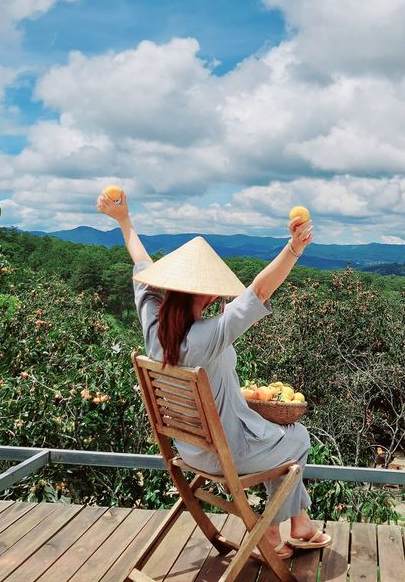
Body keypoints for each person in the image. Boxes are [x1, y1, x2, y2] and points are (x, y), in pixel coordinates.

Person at [96, 190, 331, 558]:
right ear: (206, 297)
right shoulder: (209, 336)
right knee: (297, 436)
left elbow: (141, 262)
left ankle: (299, 526)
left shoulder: (154, 322)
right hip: (227, 455)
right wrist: (294, 249)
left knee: (276, 438)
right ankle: (269, 533)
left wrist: (124, 221)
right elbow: (260, 290)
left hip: (189, 450)